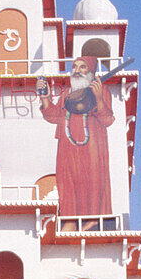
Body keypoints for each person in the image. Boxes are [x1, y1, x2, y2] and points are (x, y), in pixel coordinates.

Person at [38, 55, 114, 219]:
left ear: (91, 71)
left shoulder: (101, 90)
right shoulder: (67, 94)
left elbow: (107, 119)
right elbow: (53, 116)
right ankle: (70, 220)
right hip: (67, 149)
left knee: (93, 185)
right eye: (75, 67)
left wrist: (99, 98)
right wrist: (45, 97)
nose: (77, 71)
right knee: (68, 185)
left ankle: (93, 222)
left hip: (92, 149)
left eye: (82, 67)